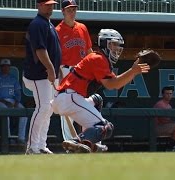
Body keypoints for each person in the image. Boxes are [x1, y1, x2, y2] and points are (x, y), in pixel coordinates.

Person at [51, 29, 150, 153]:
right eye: (113, 44)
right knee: (106, 127)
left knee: (97, 99)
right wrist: (132, 71)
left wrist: (133, 72)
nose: (116, 48)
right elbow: (111, 84)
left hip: (69, 98)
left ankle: (91, 143)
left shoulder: (101, 59)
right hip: (70, 97)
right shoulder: (98, 58)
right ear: (104, 44)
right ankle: (77, 141)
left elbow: (116, 84)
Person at [22, 0, 61, 154]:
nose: (50, 6)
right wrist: (51, 69)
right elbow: (40, 50)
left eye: (52, 4)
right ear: (39, 5)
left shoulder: (49, 24)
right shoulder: (37, 24)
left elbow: (55, 51)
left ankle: (41, 145)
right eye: (46, 4)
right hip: (38, 74)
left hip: (48, 74)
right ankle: (32, 146)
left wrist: (57, 71)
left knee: (49, 109)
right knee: (43, 107)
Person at [55, 0, 93, 141]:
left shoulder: (82, 27)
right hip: (65, 71)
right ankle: (70, 142)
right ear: (63, 11)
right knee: (67, 109)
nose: (72, 12)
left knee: (84, 107)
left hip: (83, 73)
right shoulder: (57, 31)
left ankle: (87, 139)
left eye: (74, 9)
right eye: (69, 10)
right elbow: (54, 55)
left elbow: (89, 51)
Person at [0, 59, 28, 144]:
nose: (5, 68)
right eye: (4, 66)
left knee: (24, 113)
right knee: (5, 113)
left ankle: (21, 138)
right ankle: (7, 138)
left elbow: (18, 93)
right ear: (1, 67)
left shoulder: (13, 79)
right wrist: (6, 102)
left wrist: (17, 102)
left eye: (7, 66)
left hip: (12, 101)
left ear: (9, 67)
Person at [153, 86, 175, 151]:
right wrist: (174, 123)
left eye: (170, 93)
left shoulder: (169, 106)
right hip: (157, 128)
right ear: (163, 94)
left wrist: (173, 123)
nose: (169, 95)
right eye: (167, 93)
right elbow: (162, 121)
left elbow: (167, 121)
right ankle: (170, 147)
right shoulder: (160, 104)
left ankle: (172, 147)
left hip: (165, 127)